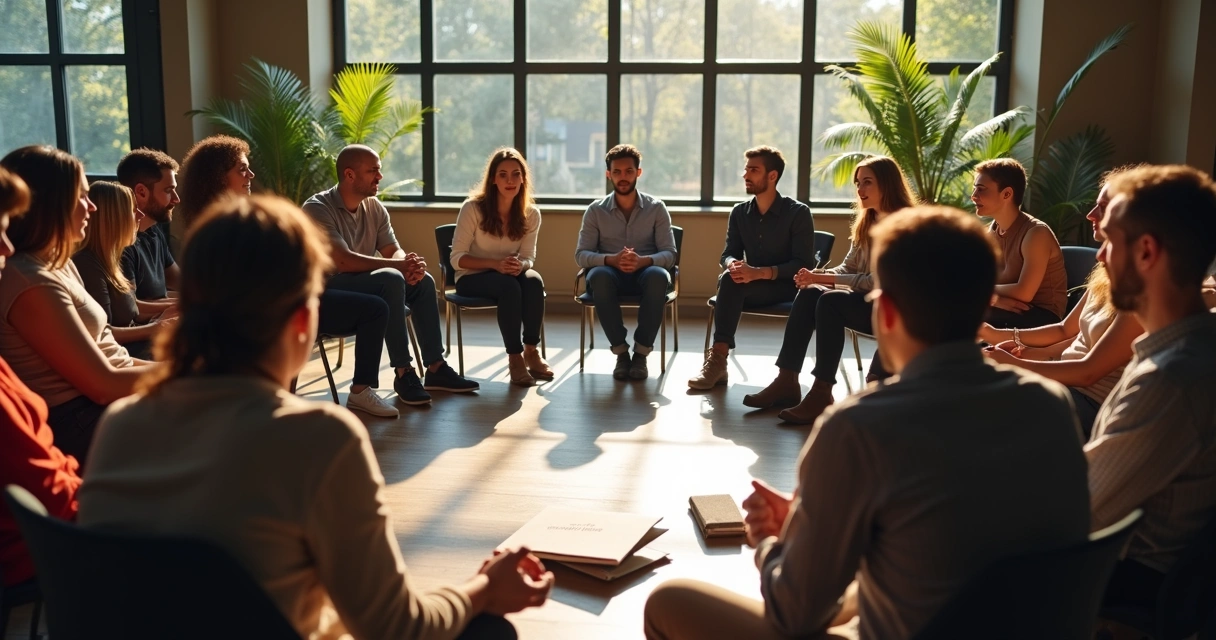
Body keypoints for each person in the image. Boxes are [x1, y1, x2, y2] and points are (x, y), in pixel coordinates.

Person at [77, 194, 552, 640]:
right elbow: (397, 628)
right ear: (304, 320)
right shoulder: (318, 438)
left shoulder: (122, 424)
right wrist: (484, 587)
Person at [645, 206, 1089, 640]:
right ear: (985, 302)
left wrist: (770, 545)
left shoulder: (857, 427)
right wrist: (814, 520)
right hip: (1006, 623)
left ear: (888, 312)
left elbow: (794, 613)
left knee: (668, 600)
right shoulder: (1048, 403)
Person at [181, 137, 401, 417]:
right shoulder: (213, 230)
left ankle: (369, 384)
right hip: (262, 313)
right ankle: (356, 389)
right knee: (377, 304)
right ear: (217, 177)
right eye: (242, 169)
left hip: (282, 303)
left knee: (378, 302)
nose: (251, 175)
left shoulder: (250, 217)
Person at [1084, 165, 1216, 613]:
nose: (1100, 256)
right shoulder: (1191, 347)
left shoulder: (1172, 378)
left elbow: (1082, 510)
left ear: (1145, 252)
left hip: (1124, 581)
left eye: (1108, 241)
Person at [0, 146, 154, 464]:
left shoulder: (58, 262)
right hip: (82, 420)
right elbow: (103, 385)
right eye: (82, 197)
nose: (92, 207)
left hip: (104, 405)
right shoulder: (29, 281)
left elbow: (114, 357)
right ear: (51, 204)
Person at [742, 156, 915, 425]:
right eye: (858, 183)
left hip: (893, 312)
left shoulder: (907, 225)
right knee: (811, 292)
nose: (860, 189)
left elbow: (880, 282)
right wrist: (816, 277)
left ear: (888, 184)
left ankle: (822, 391)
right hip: (866, 303)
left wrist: (826, 279)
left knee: (831, 300)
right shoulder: (867, 222)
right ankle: (787, 379)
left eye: (867, 182)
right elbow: (848, 268)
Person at [304, 144, 478, 405]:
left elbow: (391, 250)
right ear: (350, 175)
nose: (380, 176)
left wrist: (407, 264)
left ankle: (436, 367)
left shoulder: (374, 207)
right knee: (391, 279)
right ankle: (403, 372)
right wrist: (398, 269)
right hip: (328, 290)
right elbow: (343, 261)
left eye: (380, 170)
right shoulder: (317, 208)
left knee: (424, 282)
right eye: (373, 170)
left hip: (362, 283)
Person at [980, 171, 1144, 437]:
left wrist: (1017, 363)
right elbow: (1065, 332)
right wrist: (1017, 349)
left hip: (1090, 403)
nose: (1090, 214)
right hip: (1064, 383)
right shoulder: (1104, 273)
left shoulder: (1142, 295)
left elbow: (1087, 373)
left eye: (1102, 208)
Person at [0, 165, 82, 591]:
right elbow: (48, 499)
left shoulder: (57, 268)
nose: (6, 247)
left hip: (62, 517)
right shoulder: (30, 282)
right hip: (46, 548)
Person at [689, 146, 815, 390]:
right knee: (729, 277)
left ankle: (719, 359)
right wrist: (732, 264)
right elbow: (728, 253)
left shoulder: (798, 213)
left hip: (788, 288)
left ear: (772, 176)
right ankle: (718, 361)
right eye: (746, 169)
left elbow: (803, 265)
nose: (746, 175)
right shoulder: (739, 212)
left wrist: (760, 272)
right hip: (752, 285)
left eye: (753, 170)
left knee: (730, 281)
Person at [575, 144, 677, 380]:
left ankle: (640, 355)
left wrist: (643, 261)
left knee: (659, 276)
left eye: (629, 171)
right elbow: (581, 255)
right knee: (598, 276)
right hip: (610, 275)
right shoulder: (595, 211)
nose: (623, 177)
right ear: (608, 174)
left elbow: (670, 254)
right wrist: (610, 259)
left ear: (638, 173)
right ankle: (621, 353)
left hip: (646, 274)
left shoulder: (656, 208)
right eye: (617, 172)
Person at [451, 147, 550, 387]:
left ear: (523, 178)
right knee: (509, 287)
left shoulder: (531, 214)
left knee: (533, 281)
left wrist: (520, 265)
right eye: (503, 174)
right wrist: (495, 265)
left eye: (516, 174)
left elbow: (529, 257)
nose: (510, 180)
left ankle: (531, 350)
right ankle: (514, 357)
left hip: (507, 274)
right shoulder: (472, 208)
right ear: (493, 179)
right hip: (471, 276)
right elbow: (457, 258)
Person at [73, 181, 178, 360]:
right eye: (132, 209)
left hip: (136, 344)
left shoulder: (110, 259)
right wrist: (157, 326)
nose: (140, 215)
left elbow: (132, 310)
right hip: (123, 353)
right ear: (114, 218)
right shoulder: (87, 264)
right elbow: (104, 333)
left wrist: (167, 314)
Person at [971, 158, 1068, 328]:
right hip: (1005, 309)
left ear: (1007, 194)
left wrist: (986, 294)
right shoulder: (991, 232)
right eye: (974, 189)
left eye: (981, 189)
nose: (973, 196)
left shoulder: (1036, 233)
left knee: (965, 316)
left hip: (1043, 317)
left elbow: (1024, 293)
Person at [115, 148, 181, 316]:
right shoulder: (120, 242)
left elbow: (179, 281)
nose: (176, 199)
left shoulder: (154, 231)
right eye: (168, 190)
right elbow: (131, 309)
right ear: (141, 192)